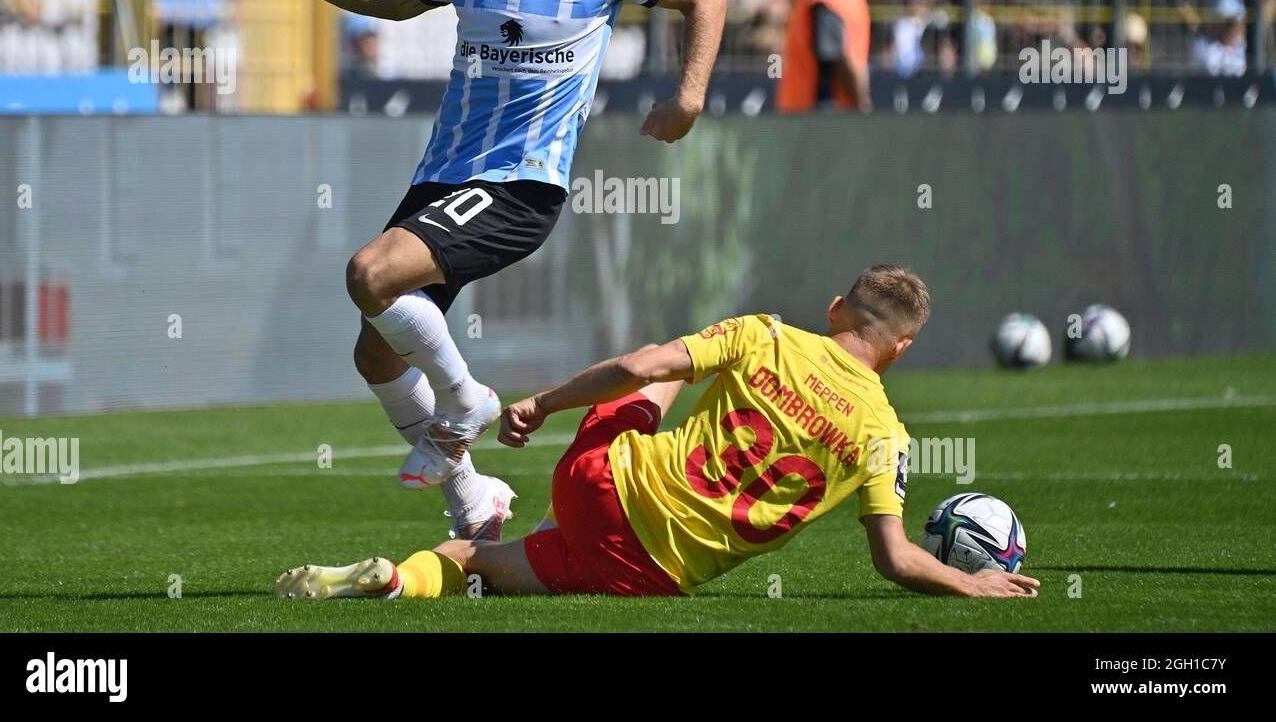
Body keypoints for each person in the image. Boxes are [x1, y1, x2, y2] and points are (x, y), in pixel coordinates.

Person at [240, 0, 726, 540]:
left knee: (370, 275)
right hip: (446, 175)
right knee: (375, 350)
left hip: (520, 185)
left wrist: (689, 98)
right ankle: (473, 501)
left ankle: (466, 401)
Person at [274, 265, 1040, 600]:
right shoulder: (887, 438)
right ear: (901, 350)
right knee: (486, 562)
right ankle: (413, 574)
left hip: (603, 482)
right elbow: (897, 560)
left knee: (668, 364)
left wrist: (542, 405)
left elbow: (641, 369)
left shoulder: (769, 333)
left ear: (838, 307)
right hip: (649, 571)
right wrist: (970, 581)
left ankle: (396, 575)